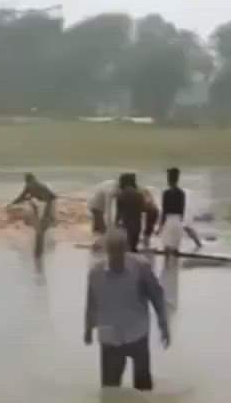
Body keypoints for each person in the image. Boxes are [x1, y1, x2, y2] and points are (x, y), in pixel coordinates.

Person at [84, 228, 169, 391]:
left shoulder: (141, 267)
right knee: (110, 390)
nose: (116, 255)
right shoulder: (95, 273)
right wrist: (88, 329)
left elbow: (156, 296)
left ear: (126, 248)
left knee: (143, 389)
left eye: (119, 250)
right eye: (113, 250)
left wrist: (163, 324)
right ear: (107, 250)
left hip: (137, 333)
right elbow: (92, 302)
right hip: (109, 338)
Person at [158, 167, 202, 258]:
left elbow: (164, 211)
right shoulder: (181, 193)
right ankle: (175, 265)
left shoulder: (166, 193)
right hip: (178, 220)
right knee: (176, 248)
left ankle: (166, 265)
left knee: (166, 247)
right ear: (177, 179)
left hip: (168, 220)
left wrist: (161, 226)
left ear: (168, 180)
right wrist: (181, 221)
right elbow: (182, 209)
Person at [115, 173, 147, 253]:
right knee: (133, 248)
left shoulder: (120, 195)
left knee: (125, 249)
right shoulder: (139, 194)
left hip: (126, 225)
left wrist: (115, 225)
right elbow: (144, 209)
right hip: (137, 225)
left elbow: (118, 214)